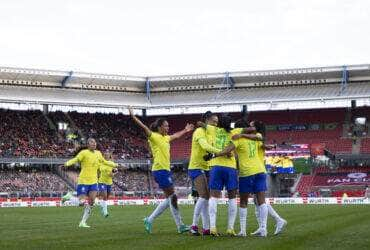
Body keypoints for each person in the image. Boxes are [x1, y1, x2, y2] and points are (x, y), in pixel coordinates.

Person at [129, 107, 194, 234]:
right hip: (160, 170)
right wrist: (133, 117)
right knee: (173, 197)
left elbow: (176, 135)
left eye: (168, 126)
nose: (168, 128)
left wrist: (186, 130)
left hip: (165, 170)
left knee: (171, 198)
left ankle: (150, 219)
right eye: (165, 126)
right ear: (159, 127)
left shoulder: (166, 138)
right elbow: (144, 128)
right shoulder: (154, 137)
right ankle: (178, 225)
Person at [62, 138, 117, 228]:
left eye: (95, 142)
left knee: (91, 203)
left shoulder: (98, 153)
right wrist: (66, 164)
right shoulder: (84, 153)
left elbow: (104, 162)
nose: (94, 144)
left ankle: (82, 222)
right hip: (83, 181)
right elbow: (75, 159)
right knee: (81, 203)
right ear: (88, 145)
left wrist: (115, 165)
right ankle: (69, 197)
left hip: (94, 182)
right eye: (92, 142)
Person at [205, 114, 238, 237]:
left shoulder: (212, 129)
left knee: (213, 197)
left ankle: (213, 227)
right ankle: (230, 228)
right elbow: (233, 153)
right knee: (232, 198)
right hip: (230, 168)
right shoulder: (233, 133)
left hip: (216, 166)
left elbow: (202, 124)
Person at [188, 111, 221, 236]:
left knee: (206, 198)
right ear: (207, 120)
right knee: (204, 196)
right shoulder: (199, 131)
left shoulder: (212, 132)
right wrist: (221, 151)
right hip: (196, 167)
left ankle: (206, 228)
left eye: (217, 122)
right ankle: (194, 226)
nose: (216, 124)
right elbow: (205, 146)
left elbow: (209, 150)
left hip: (207, 167)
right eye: (214, 121)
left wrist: (213, 154)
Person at [97, 151, 119, 217]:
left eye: (107, 155)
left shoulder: (112, 163)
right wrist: (97, 176)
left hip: (109, 182)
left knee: (106, 197)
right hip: (102, 182)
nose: (106, 156)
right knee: (105, 195)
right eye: (105, 155)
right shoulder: (101, 163)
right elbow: (98, 170)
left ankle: (102, 206)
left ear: (109, 156)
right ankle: (105, 212)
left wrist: (113, 173)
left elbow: (116, 171)